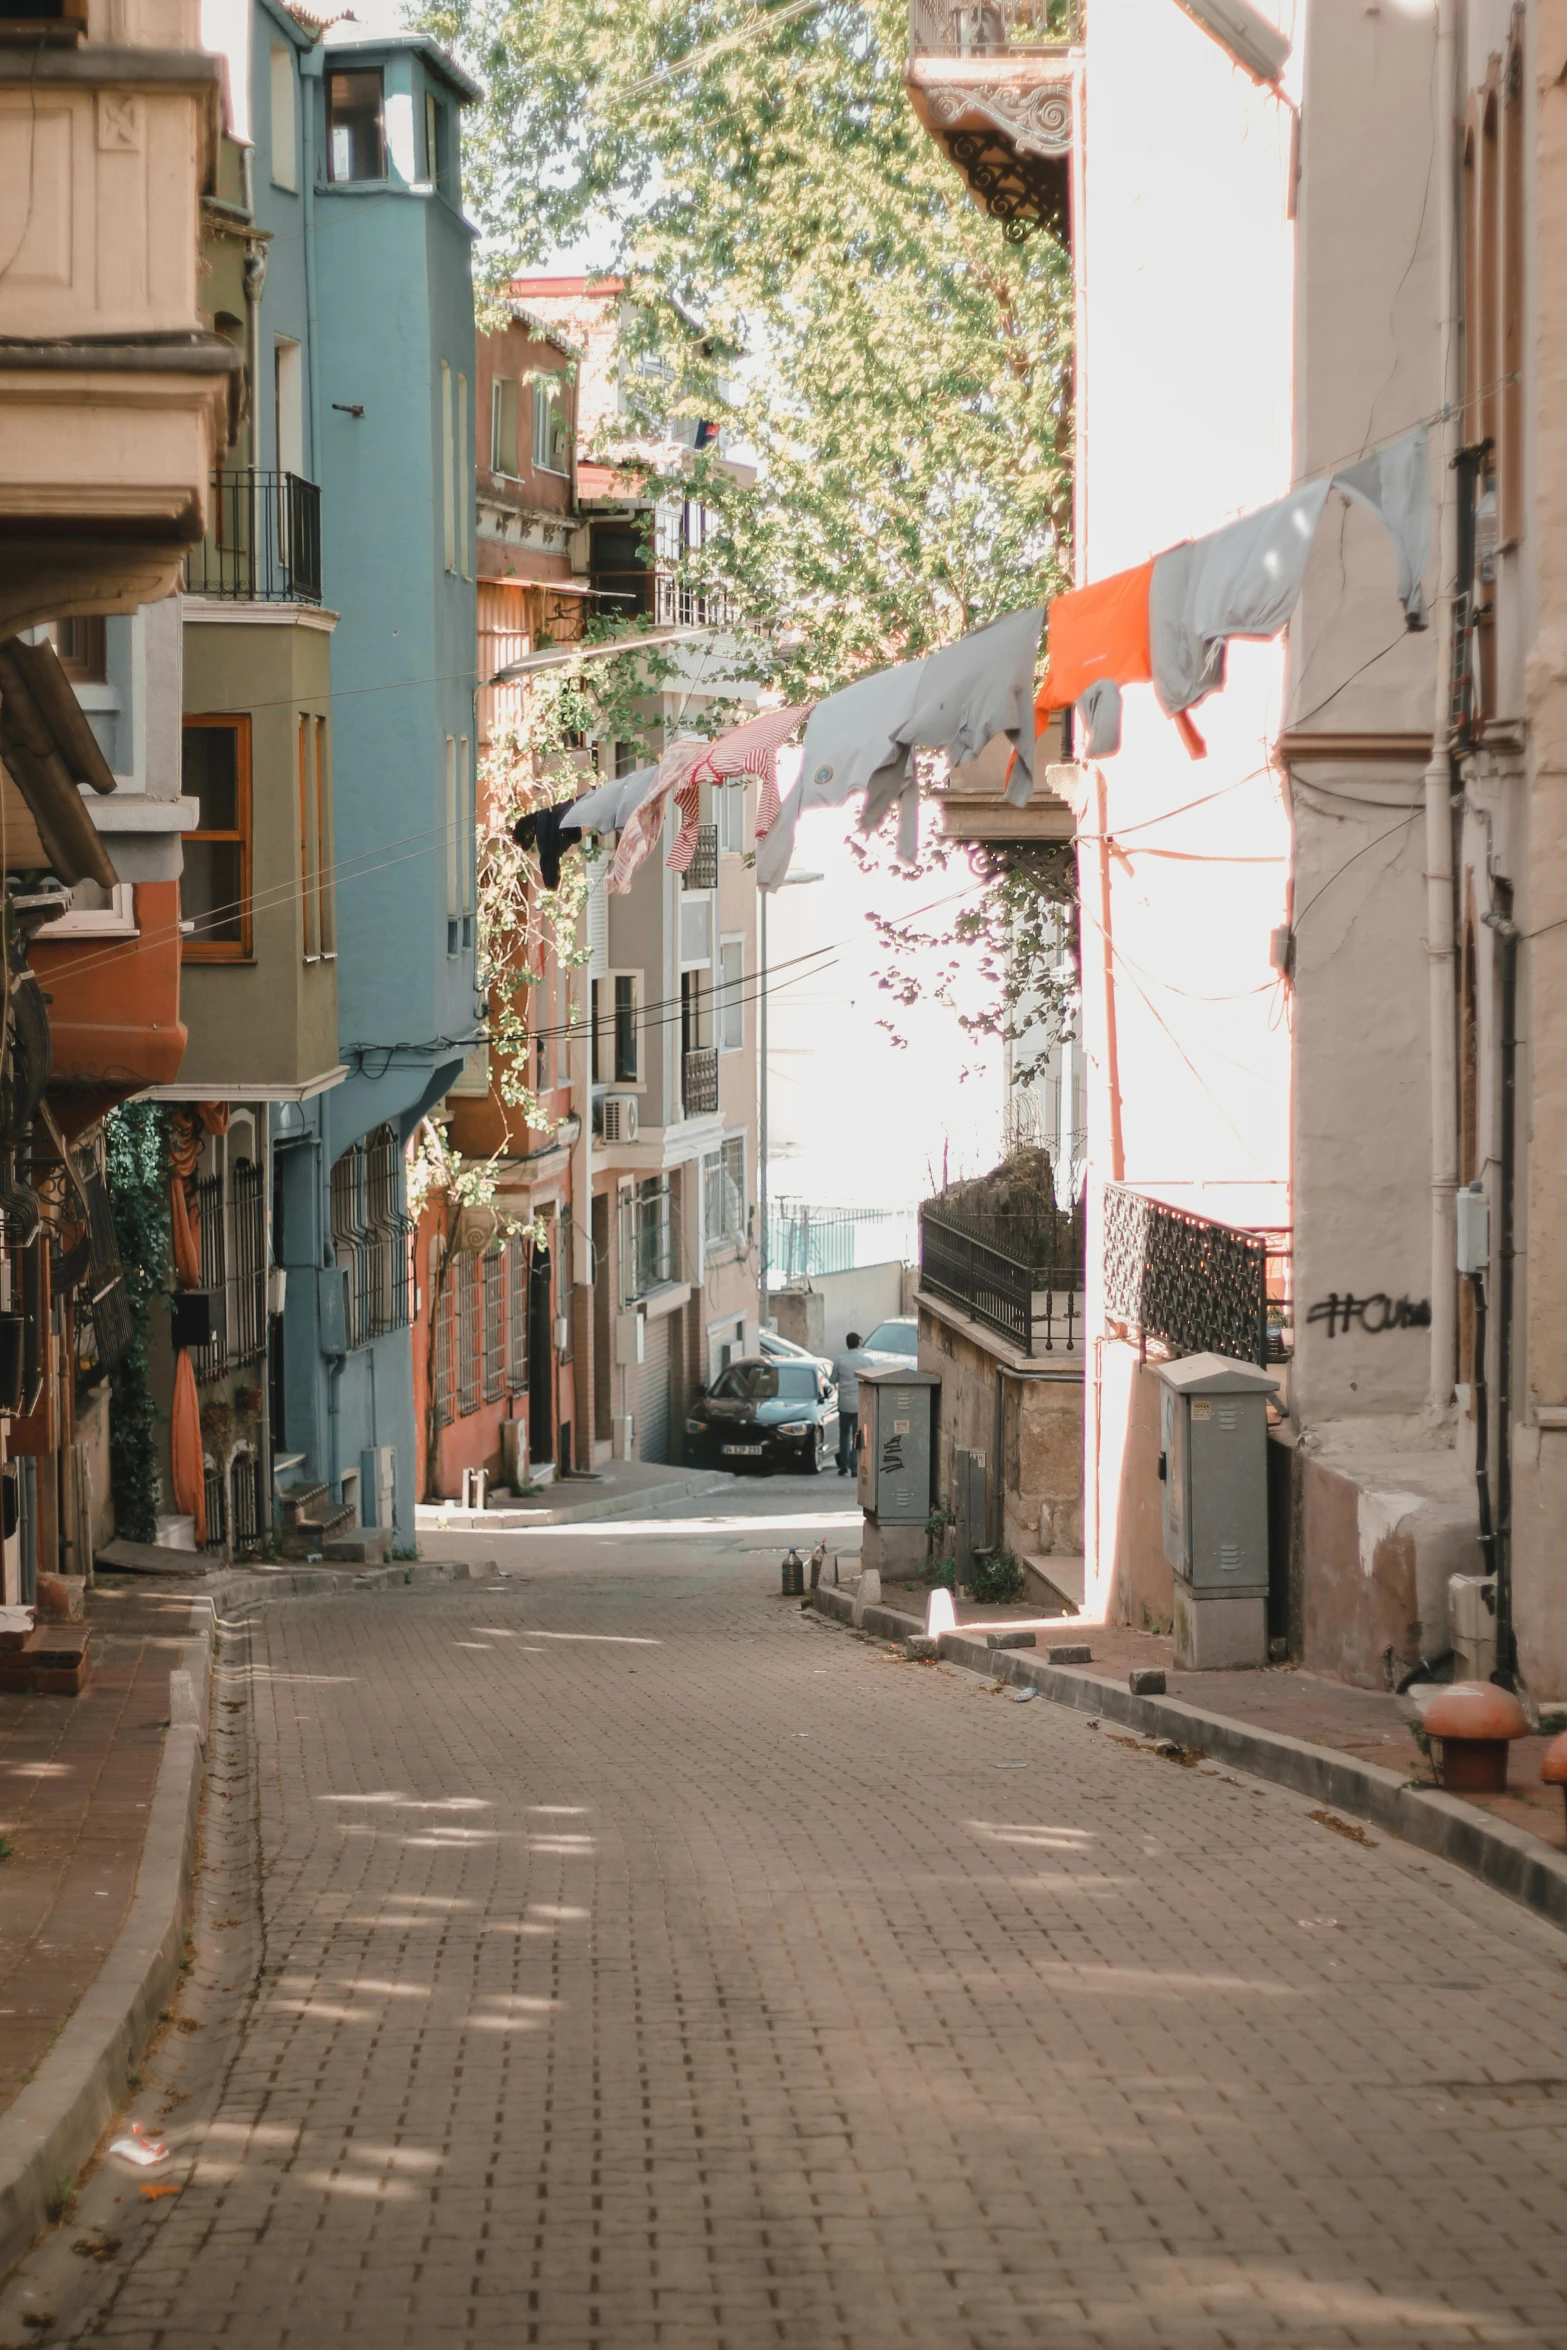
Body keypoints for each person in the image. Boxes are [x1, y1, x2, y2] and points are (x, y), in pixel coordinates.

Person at [832, 1331, 872, 1477]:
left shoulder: (840, 1360)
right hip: (860, 1404)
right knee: (858, 1435)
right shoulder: (866, 1361)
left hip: (844, 1404)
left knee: (844, 1434)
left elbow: (832, 1379)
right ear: (859, 1343)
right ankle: (855, 1467)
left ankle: (844, 1465)